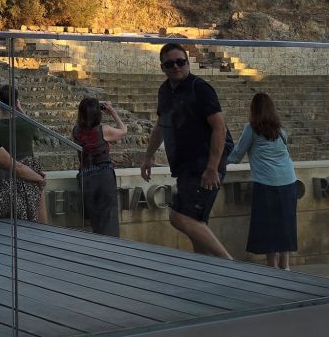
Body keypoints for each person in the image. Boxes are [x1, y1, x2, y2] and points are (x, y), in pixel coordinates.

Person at [141, 43, 233, 258]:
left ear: (188, 63)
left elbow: (219, 128)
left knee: (180, 217)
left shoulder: (200, 88)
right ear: (162, 67)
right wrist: (148, 156)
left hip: (204, 164)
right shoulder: (165, 91)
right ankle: (204, 270)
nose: (176, 67)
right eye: (170, 64)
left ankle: (230, 264)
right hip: (184, 166)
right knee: (196, 224)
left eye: (180, 62)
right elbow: (161, 126)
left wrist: (212, 168)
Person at [228, 92, 299, 270]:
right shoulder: (281, 131)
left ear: (254, 109)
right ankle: (285, 265)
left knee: (269, 225)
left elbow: (236, 156)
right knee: (285, 223)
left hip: (266, 183)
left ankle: (272, 265)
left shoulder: (251, 129)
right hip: (289, 181)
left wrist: (215, 161)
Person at [72, 97, 130, 236]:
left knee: (95, 222)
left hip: (86, 176)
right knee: (109, 220)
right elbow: (123, 130)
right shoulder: (104, 130)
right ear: (98, 113)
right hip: (103, 176)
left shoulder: (75, 131)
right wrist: (112, 111)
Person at [0, 84, 49, 223]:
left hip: (5, 174)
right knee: (37, 208)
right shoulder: (27, 124)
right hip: (30, 172)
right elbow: (37, 134)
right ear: (16, 101)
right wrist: (20, 109)